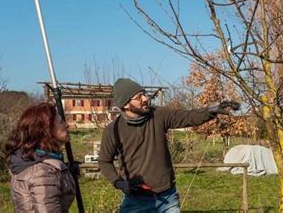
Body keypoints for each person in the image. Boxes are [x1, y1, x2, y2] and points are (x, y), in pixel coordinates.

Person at [99, 78, 239, 212]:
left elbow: (187, 116)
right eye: (139, 97)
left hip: (167, 196)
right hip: (136, 201)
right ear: (125, 104)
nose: (145, 99)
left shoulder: (158, 115)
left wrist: (211, 110)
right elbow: (104, 161)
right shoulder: (113, 130)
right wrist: (119, 182)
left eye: (145, 94)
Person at [5, 102, 75, 213]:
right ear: (47, 130)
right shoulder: (42, 173)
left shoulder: (37, 162)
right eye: (60, 122)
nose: (66, 125)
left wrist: (67, 172)